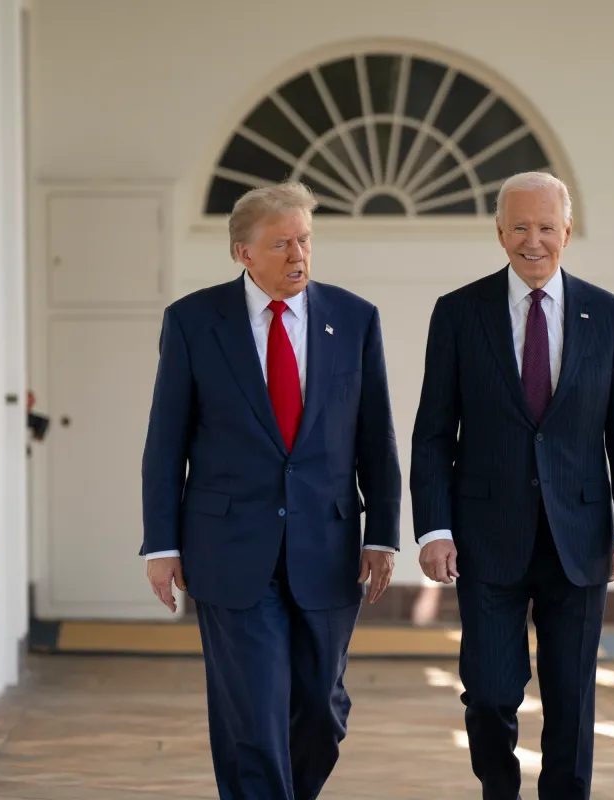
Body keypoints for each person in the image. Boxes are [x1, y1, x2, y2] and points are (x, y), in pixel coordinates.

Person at [140, 182, 401, 800]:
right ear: (242, 253)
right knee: (254, 718)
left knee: (321, 712)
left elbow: (376, 437)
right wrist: (161, 545)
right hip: (228, 548)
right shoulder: (193, 322)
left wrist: (384, 533)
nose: (297, 255)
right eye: (280, 243)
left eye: (304, 240)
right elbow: (165, 440)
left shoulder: (355, 318)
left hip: (329, 546)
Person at [410, 171, 614, 799]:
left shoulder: (610, 315)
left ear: (567, 233)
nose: (533, 240)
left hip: (580, 537)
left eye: (546, 227)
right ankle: (501, 791)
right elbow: (434, 433)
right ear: (499, 233)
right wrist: (434, 527)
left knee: (572, 700)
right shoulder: (459, 313)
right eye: (520, 226)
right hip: (486, 539)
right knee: (490, 691)